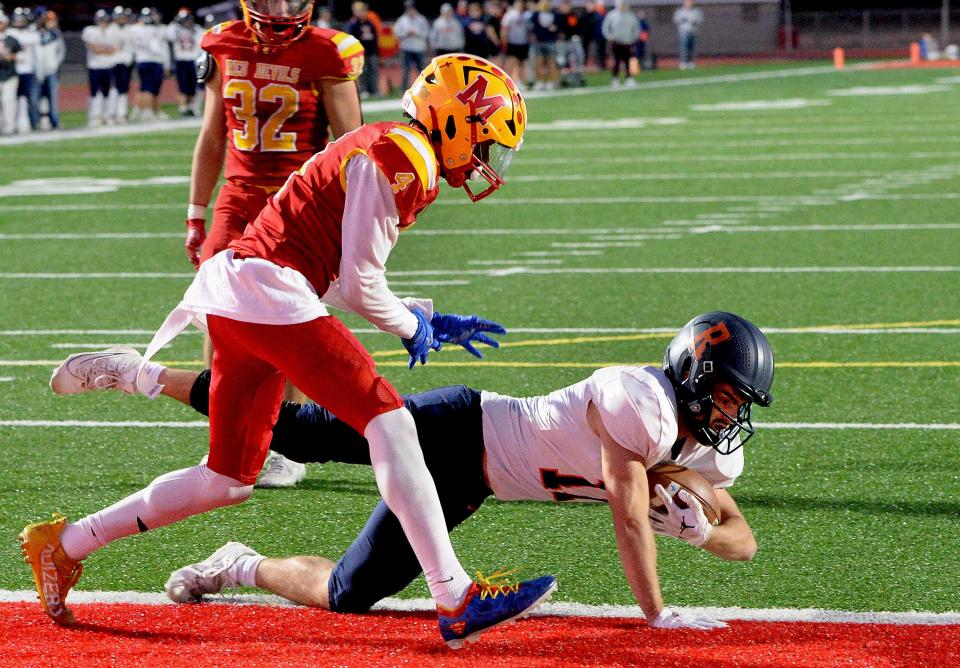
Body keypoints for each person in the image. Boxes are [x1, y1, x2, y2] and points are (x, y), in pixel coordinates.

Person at [23, 53, 556, 650]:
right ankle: (454, 596)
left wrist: (421, 314)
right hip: (265, 290)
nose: (485, 158)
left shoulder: (393, 144)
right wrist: (411, 327)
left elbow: (332, 272)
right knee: (393, 425)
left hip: (242, 291)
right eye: (484, 138)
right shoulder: (407, 155)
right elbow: (357, 283)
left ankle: (65, 543)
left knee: (226, 480)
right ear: (456, 119)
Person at [50, 312, 771, 627]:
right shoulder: (639, 401)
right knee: (296, 432)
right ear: (695, 371)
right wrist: (657, 612)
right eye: (732, 392)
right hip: (456, 428)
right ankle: (137, 374)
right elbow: (624, 508)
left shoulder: (707, 447)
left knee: (348, 593)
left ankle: (236, 567)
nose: (733, 412)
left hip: (470, 485)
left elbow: (745, 540)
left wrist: (703, 532)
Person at [183, 0, 365, 488]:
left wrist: (351, 218)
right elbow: (213, 135)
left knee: (288, 315)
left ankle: (286, 440)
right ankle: (230, 434)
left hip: (297, 201)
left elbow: (352, 143)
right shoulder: (223, 41)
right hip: (237, 200)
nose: (281, 8)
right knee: (218, 313)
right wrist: (196, 212)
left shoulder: (327, 51)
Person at [129, 7, 169, 121]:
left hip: (141, 59)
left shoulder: (134, 29)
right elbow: (155, 48)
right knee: (150, 88)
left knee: (145, 87)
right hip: (152, 60)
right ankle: (147, 111)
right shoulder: (152, 30)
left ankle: (143, 110)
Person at [80, 8, 118, 127]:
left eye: (105, 19)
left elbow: (114, 49)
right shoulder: (90, 30)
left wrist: (103, 49)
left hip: (109, 65)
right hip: (95, 66)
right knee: (95, 92)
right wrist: (105, 49)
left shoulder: (113, 31)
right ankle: (95, 116)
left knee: (108, 92)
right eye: (101, 19)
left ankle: (108, 115)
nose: (103, 22)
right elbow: (94, 49)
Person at [166, 8, 203, 117]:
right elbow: (169, 35)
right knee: (183, 86)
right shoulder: (175, 29)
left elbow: (201, 42)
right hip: (181, 60)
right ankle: (183, 108)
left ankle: (191, 107)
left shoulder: (196, 29)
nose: (186, 22)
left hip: (193, 60)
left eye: (187, 19)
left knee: (192, 86)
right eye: (183, 20)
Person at [8, 6, 38, 132]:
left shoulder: (31, 34)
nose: (19, 21)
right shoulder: (9, 33)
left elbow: (31, 41)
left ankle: (25, 122)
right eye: (17, 19)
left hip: (27, 69)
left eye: (22, 19)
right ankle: (10, 123)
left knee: (26, 98)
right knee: (10, 99)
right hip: (11, 71)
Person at [34, 9, 63, 130]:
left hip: (51, 70)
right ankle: (38, 121)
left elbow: (60, 51)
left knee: (52, 97)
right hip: (35, 70)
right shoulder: (32, 32)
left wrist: (55, 64)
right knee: (36, 98)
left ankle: (53, 120)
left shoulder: (55, 34)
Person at [602, 0, 639, 87]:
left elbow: (636, 28)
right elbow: (605, 27)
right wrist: (609, 36)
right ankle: (615, 79)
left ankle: (629, 78)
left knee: (629, 61)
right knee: (616, 61)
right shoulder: (612, 15)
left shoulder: (631, 16)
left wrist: (634, 38)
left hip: (628, 42)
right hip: (617, 42)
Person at [393, 1, 429, 91]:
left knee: (422, 71)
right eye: (408, 9)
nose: (410, 11)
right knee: (405, 71)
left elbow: (426, 33)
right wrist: (406, 33)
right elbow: (396, 33)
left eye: (411, 8)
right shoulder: (402, 20)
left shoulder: (421, 19)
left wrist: (416, 33)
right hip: (406, 48)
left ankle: (426, 89)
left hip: (419, 48)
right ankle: (404, 90)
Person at [346, 2, 379, 98]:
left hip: (371, 52)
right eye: (360, 11)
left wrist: (377, 52)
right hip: (360, 53)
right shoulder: (353, 25)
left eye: (364, 11)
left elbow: (375, 38)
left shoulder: (370, 23)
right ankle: (364, 90)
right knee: (362, 72)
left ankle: (374, 90)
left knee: (373, 71)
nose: (362, 13)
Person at [109, 6, 135, 124]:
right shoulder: (110, 30)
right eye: (119, 17)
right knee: (113, 88)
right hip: (112, 62)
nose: (122, 19)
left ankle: (122, 113)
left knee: (124, 89)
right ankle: (111, 113)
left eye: (123, 17)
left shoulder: (130, 29)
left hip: (125, 62)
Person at [500, 0, 530, 89]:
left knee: (521, 63)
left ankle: (520, 82)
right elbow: (504, 29)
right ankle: (507, 82)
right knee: (512, 63)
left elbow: (528, 29)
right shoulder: (509, 15)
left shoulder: (525, 15)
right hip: (512, 42)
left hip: (523, 42)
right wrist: (504, 42)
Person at [0, 11, 21, 135]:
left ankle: (10, 127)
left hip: (9, 74)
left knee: (9, 102)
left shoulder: (12, 39)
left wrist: (9, 57)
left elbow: (21, 56)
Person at [673, 0, 703, 70]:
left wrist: (694, 21)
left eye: (690, 2)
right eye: (688, 2)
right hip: (684, 32)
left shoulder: (696, 11)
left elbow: (700, 20)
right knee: (684, 47)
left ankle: (691, 62)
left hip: (693, 31)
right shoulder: (680, 11)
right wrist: (684, 20)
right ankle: (683, 62)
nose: (689, 3)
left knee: (691, 48)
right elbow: (676, 20)